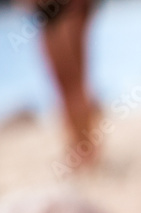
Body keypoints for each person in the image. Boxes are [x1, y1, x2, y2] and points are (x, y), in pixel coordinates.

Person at [26, 0, 99, 169]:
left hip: (60, 10)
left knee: (70, 85)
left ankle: (83, 152)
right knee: (73, 84)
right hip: (59, 10)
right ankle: (83, 148)